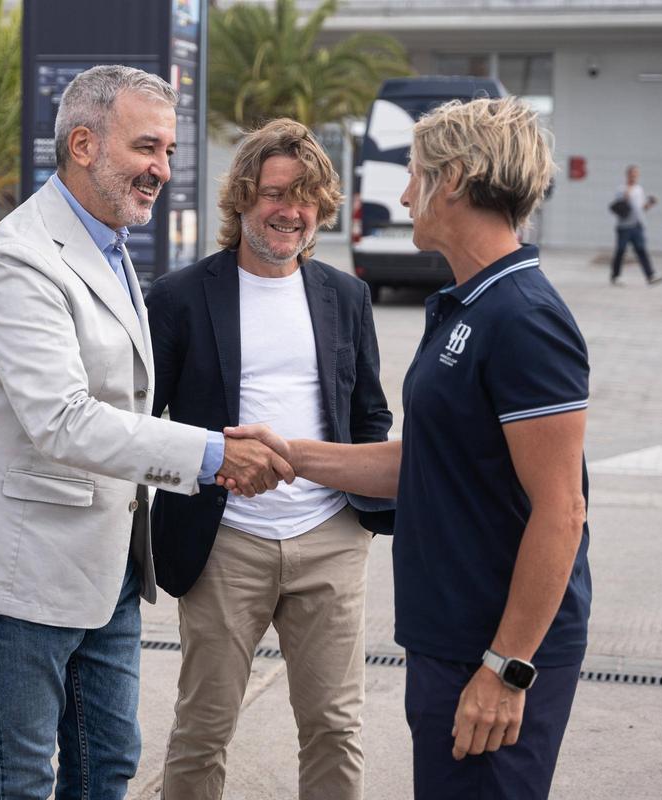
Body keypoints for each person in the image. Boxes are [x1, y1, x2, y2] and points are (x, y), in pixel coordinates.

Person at [0, 65, 291, 800]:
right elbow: (61, 418)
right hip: (22, 575)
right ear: (83, 143)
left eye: (169, 153)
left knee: (109, 763)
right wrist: (213, 453)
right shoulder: (18, 258)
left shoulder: (113, 245)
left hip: (113, 564)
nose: (162, 168)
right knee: (20, 780)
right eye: (147, 147)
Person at [222, 97, 592, 800]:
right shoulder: (468, 304)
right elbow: (424, 463)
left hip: (490, 654)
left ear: (453, 180)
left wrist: (507, 667)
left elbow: (562, 512)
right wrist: (291, 454)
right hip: (450, 644)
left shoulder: (524, 318)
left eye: (415, 173)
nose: (403, 192)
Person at [146, 118, 394, 800]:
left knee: (335, 728)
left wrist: (364, 509)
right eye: (277, 194)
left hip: (329, 540)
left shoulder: (346, 295)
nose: (292, 212)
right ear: (243, 199)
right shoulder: (179, 298)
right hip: (225, 542)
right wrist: (206, 464)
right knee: (203, 728)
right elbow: (141, 427)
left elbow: (370, 413)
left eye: (307, 197)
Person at [610, 164, 662, 286]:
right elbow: (620, 206)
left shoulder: (639, 189)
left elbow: (641, 208)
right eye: (632, 174)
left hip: (637, 225)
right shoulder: (621, 189)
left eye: (636, 174)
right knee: (620, 251)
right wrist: (627, 193)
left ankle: (650, 275)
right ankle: (615, 276)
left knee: (641, 250)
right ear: (627, 175)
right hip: (624, 227)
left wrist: (650, 204)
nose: (634, 176)